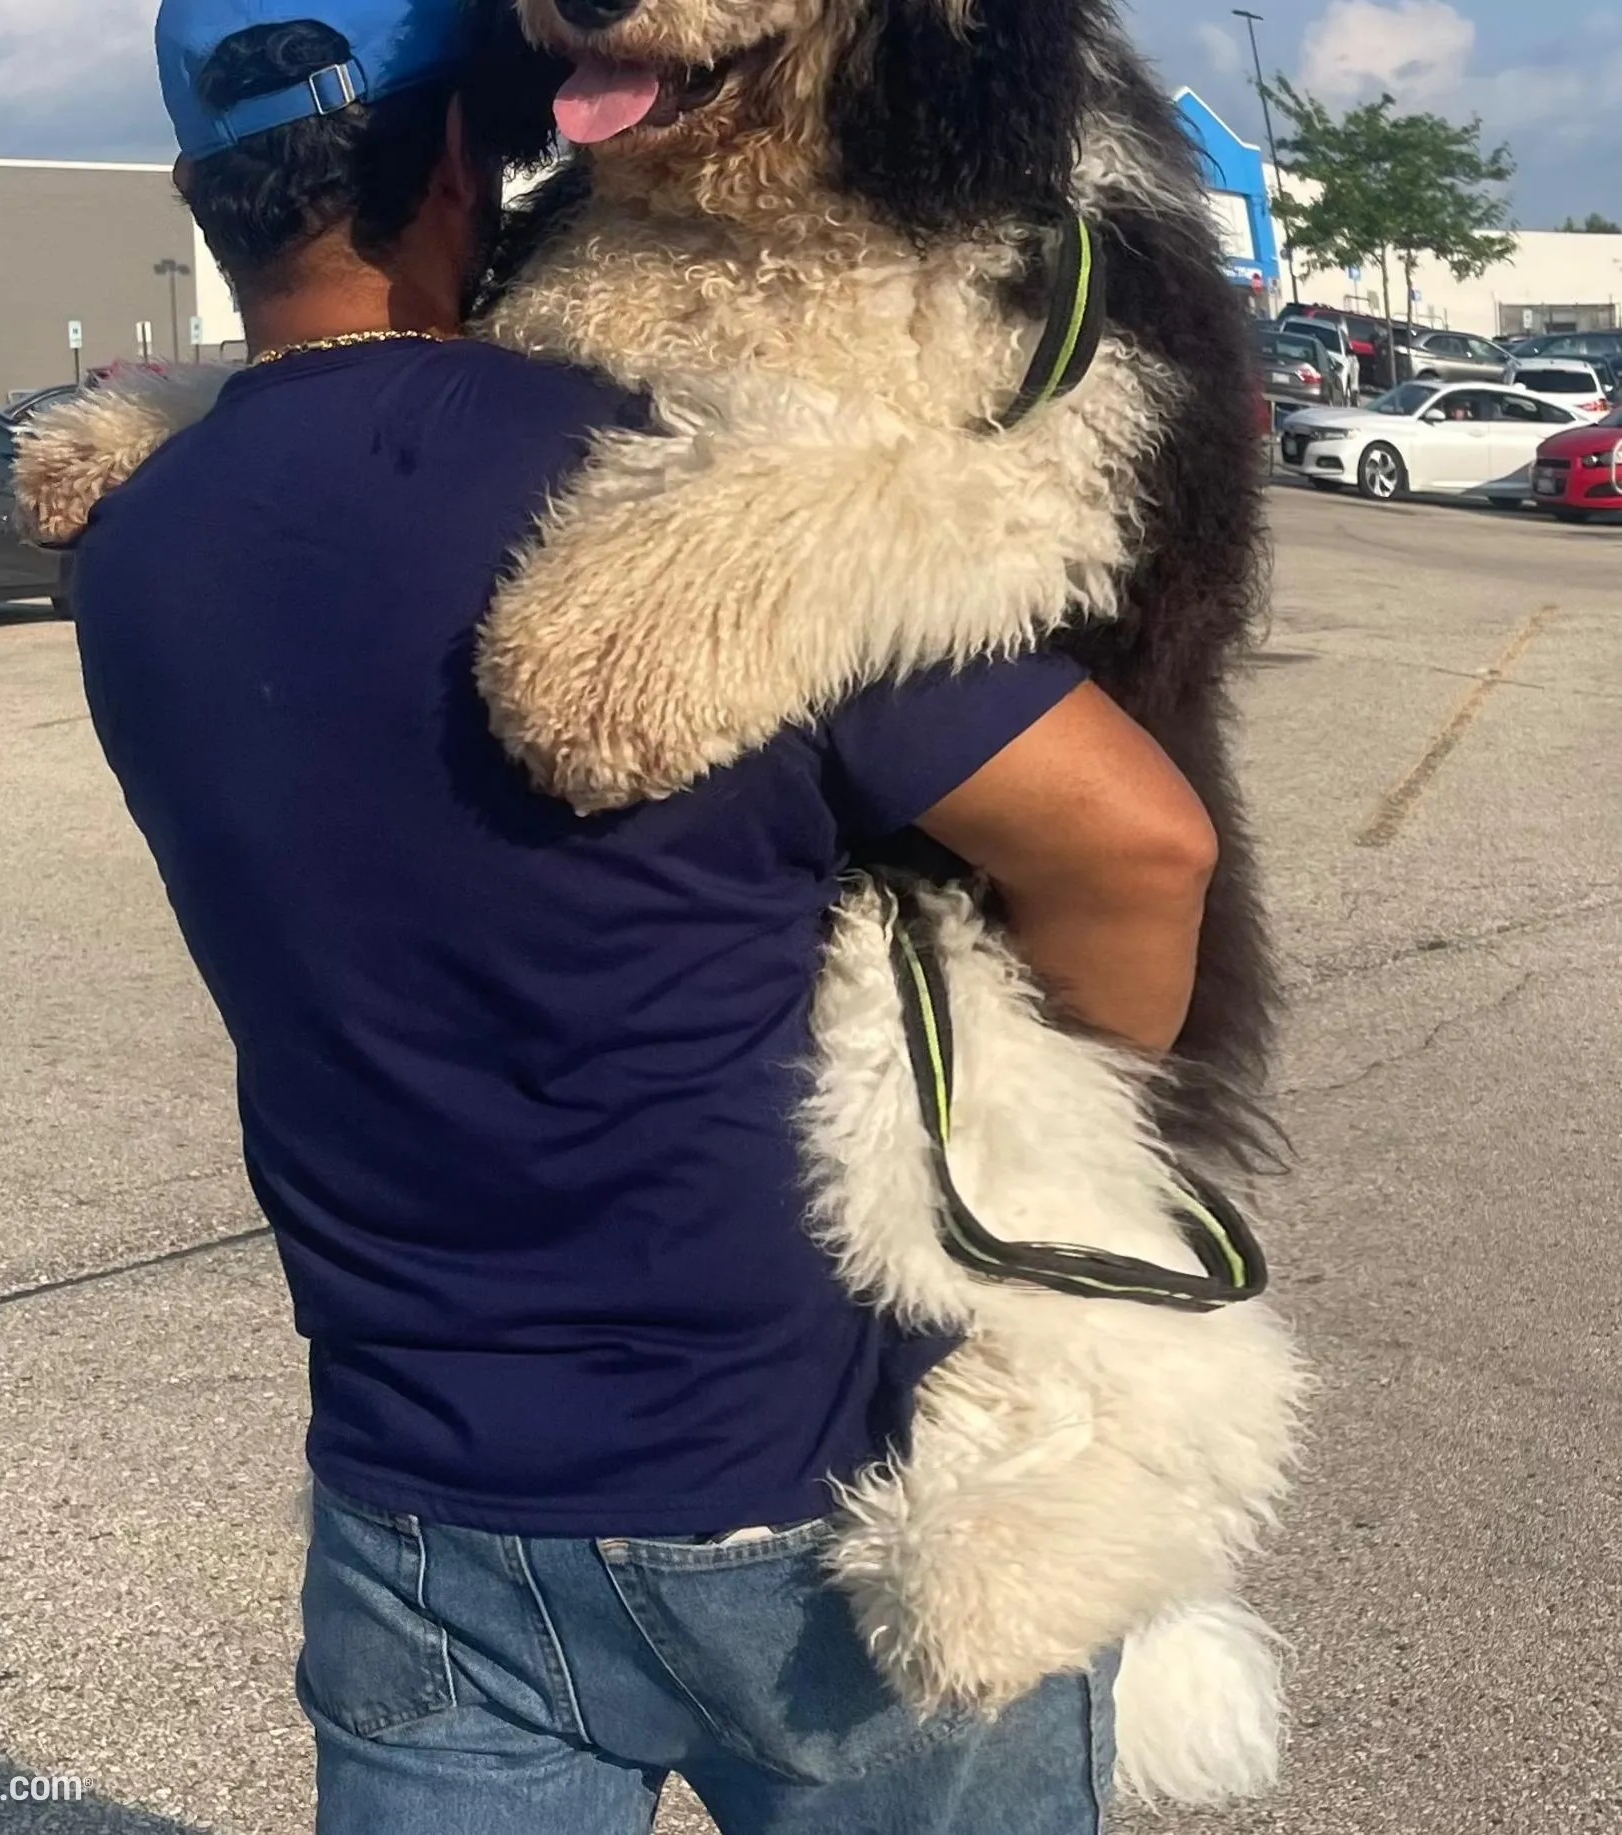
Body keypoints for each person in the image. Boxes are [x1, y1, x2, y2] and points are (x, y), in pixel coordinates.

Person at [67, 4, 1220, 1829]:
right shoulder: (674, 476)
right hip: (825, 1479)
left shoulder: (126, 534)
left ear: (194, 192)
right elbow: (1139, 850)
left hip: (419, 1511)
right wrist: (1047, 1149)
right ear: (468, 161)